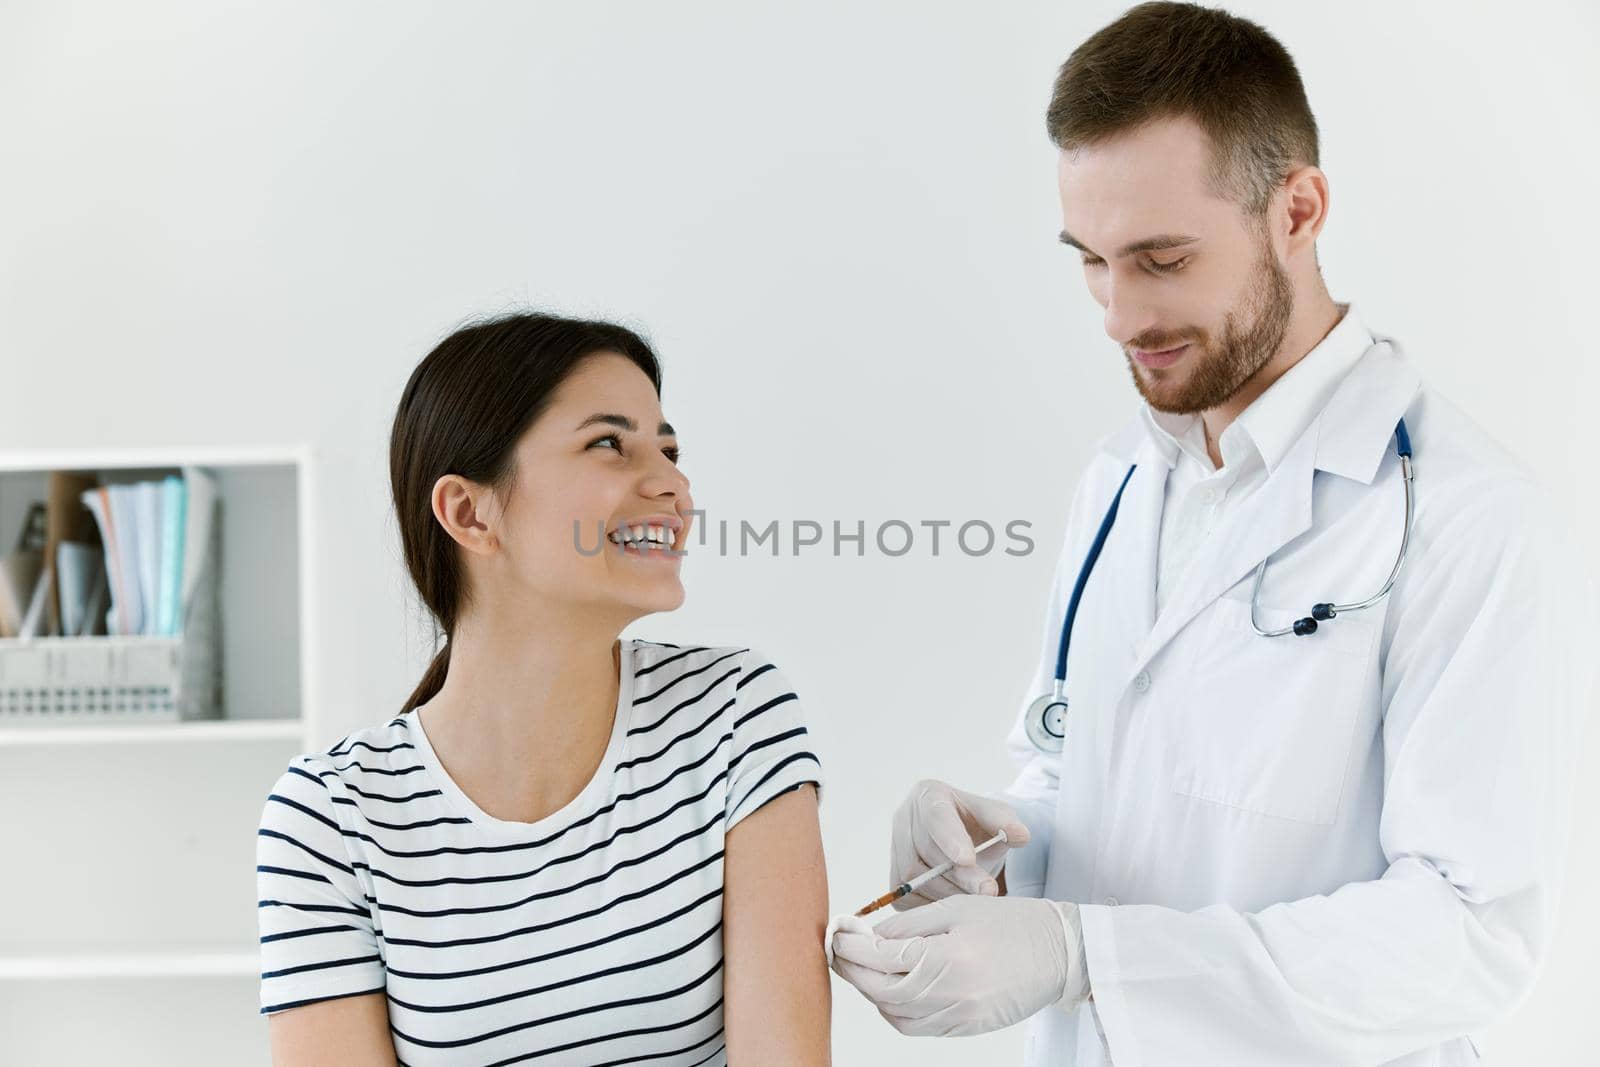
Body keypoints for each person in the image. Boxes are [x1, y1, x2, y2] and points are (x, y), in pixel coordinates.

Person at [828, 4, 1595, 1065]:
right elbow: (1086, 779)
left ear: (1298, 208)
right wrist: (1004, 843)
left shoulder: (1466, 520)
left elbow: (1468, 934)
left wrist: (1080, 951)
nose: (1116, 314)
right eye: (1090, 260)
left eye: (1160, 258)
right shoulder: (1120, 481)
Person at [256, 312, 830, 1066]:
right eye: (608, 443)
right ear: (469, 512)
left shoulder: (732, 715)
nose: (673, 484)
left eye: (669, 448)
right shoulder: (329, 819)